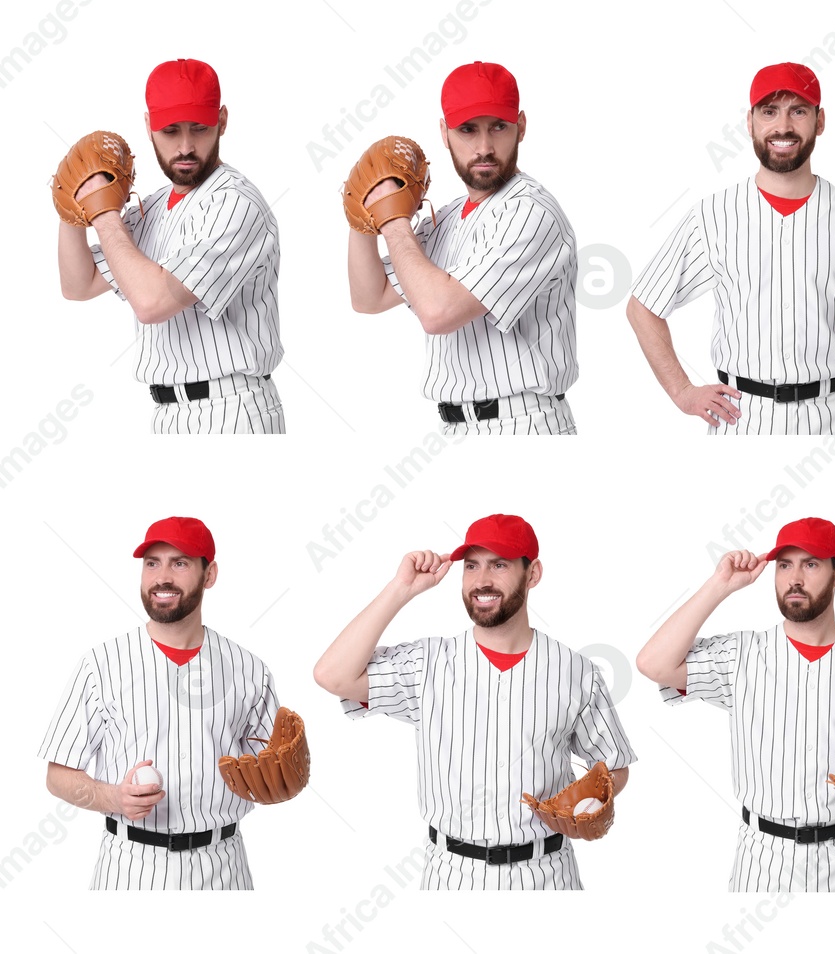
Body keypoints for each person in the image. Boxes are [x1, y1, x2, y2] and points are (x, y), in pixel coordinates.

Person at [313, 514, 635, 889]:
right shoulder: (427, 664)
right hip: (451, 875)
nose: (482, 580)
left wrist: (591, 800)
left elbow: (614, 763)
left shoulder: (576, 671)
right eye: (471, 566)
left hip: (547, 875)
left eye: (499, 564)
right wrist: (401, 588)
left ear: (532, 575)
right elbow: (332, 675)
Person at [636, 517, 835, 890]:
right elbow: (654, 663)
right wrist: (720, 586)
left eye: (810, 564)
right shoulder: (740, 655)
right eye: (784, 565)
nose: (794, 578)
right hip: (763, 861)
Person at [627, 63, 835, 435]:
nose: (783, 126)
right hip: (742, 419)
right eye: (769, 111)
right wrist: (683, 392)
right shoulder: (714, 215)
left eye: (799, 111)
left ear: (819, 122)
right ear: (751, 122)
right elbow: (642, 306)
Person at [40, 517, 288, 888]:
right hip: (128, 869)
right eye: (152, 563)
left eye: (180, 562)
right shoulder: (102, 664)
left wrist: (281, 779)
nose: (162, 577)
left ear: (210, 574)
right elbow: (57, 777)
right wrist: (113, 797)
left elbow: (273, 767)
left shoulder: (249, 669)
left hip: (223, 869)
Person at [55, 58, 285, 433]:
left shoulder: (236, 204)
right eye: (170, 130)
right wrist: (71, 208)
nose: (185, 146)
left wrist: (102, 211)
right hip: (166, 414)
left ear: (222, 121)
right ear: (148, 127)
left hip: (232, 411)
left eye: (199, 128)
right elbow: (78, 285)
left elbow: (151, 303)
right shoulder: (153, 207)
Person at [349, 61, 580, 434]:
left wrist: (391, 218)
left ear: (520, 127)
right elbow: (369, 297)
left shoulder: (532, 213)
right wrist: (362, 212)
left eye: (498, 127)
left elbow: (438, 313)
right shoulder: (448, 217)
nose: (484, 147)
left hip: (523, 426)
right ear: (444, 132)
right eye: (467, 130)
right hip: (454, 429)